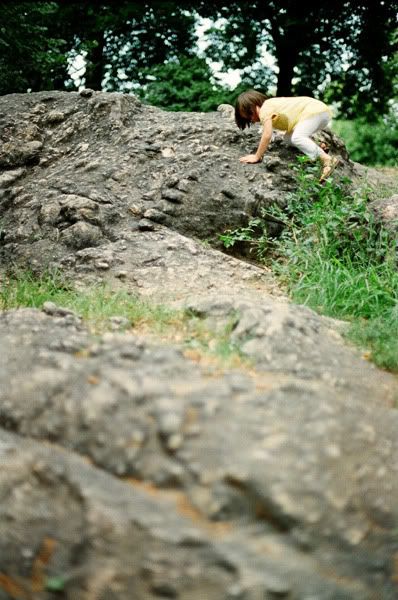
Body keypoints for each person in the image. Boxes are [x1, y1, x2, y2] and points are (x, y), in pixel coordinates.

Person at [235, 90, 340, 182]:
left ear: (254, 106)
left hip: (315, 111)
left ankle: (327, 160)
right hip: (319, 113)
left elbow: (267, 134)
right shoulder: (270, 106)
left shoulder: (264, 109)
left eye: (250, 115)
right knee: (288, 139)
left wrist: (257, 156)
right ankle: (319, 148)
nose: (252, 120)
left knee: (297, 137)